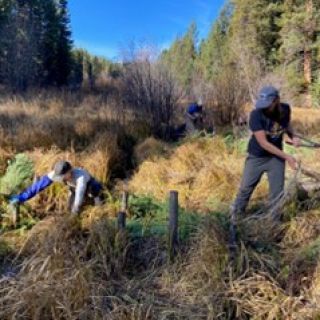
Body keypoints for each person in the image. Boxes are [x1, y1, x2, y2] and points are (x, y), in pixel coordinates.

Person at [231, 86, 300, 220]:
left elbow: (287, 125)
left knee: (277, 193)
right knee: (246, 188)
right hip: (257, 157)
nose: (265, 107)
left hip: (276, 159)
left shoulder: (285, 109)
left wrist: (293, 137)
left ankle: (274, 223)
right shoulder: (256, 115)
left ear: (276, 101)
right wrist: (287, 157)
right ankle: (236, 217)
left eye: (268, 104)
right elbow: (264, 143)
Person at [9, 160, 103, 215]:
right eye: (59, 176)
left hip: (89, 186)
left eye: (63, 176)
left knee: (93, 191)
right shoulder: (57, 174)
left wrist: (76, 209)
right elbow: (38, 186)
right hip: (74, 189)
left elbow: (80, 194)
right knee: (69, 209)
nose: (60, 178)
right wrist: (21, 198)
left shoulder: (80, 177)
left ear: (69, 172)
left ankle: (98, 201)